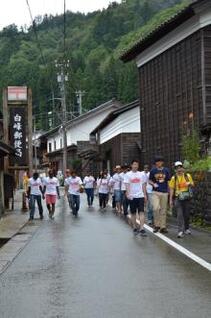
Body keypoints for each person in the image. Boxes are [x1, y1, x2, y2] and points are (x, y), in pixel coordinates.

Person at [169, 161, 194, 238]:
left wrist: (189, 183)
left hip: (186, 198)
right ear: (175, 169)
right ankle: (180, 231)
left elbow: (192, 184)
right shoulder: (174, 178)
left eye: (180, 167)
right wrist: (170, 200)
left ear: (183, 168)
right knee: (180, 215)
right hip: (178, 198)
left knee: (186, 214)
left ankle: (186, 228)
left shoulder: (187, 176)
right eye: (177, 168)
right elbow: (171, 189)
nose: (179, 169)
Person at [124, 159, 148, 237]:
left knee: (141, 212)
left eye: (137, 165)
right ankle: (134, 227)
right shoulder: (128, 175)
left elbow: (144, 185)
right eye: (134, 164)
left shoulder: (141, 174)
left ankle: (142, 228)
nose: (135, 166)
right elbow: (127, 185)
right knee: (133, 213)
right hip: (132, 196)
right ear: (131, 165)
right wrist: (128, 194)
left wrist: (145, 195)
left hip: (140, 195)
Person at [149, 156, 170, 233]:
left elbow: (168, 181)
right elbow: (149, 180)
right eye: (157, 162)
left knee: (163, 210)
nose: (159, 163)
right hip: (155, 192)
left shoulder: (166, 170)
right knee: (156, 208)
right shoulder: (153, 170)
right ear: (155, 163)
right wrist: (153, 184)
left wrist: (169, 192)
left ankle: (163, 227)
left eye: (160, 161)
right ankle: (156, 225)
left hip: (164, 192)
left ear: (162, 162)